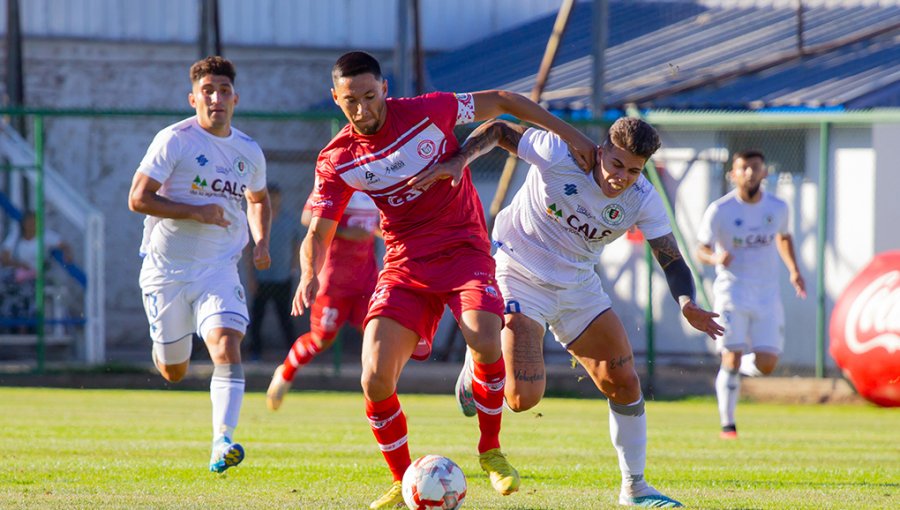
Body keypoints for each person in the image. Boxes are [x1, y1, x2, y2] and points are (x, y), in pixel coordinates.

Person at [295, 51, 596, 509]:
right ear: (334, 98)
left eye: (370, 96)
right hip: (404, 264)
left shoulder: (427, 111)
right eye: (350, 100)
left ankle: (491, 451)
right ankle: (404, 480)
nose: (363, 109)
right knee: (374, 377)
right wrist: (308, 273)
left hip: (463, 250)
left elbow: (502, 101)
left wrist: (572, 135)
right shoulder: (336, 158)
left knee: (484, 338)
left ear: (385, 88)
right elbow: (319, 230)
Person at [431, 117, 723, 508]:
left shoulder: (643, 199)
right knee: (522, 399)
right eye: (616, 165)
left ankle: (634, 488)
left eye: (634, 170)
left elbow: (670, 259)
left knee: (623, 380)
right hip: (518, 273)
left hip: (578, 288)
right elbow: (500, 129)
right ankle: (481, 361)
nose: (621, 177)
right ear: (601, 151)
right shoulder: (558, 153)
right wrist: (462, 159)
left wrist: (687, 303)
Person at [127, 56, 271, 474]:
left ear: (234, 98)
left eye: (223, 91)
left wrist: (260, 241)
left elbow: (257, 199)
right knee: (174, 370)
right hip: (165, 270)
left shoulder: (248, 151)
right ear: (193, 99)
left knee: (227, 345)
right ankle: (167, 345)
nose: (215, 98)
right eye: (207, 91)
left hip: (219, 268)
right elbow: (138, 198)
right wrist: (196, 212)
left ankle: (221, 441)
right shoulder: (175, 140)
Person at [696, 149, 806, 440]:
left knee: (767, 363)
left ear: (764, 172)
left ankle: (734, 365)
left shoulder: (778, 207)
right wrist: (715, 259)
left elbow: (783, 237)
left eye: (754, 167)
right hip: (732, 291)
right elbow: (701, 249)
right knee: (731, 356)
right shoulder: (720, 210)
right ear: (733, 174)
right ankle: (727, 425)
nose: (749, 173)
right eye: (743, 168)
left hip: (767, 295)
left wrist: (794, 270)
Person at [266, 190, 379, 411]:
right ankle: (286, 371)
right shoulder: (337, 174)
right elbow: (308, 218)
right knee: (322, 339)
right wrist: (346, 232)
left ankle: (380, 397)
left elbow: (379, 224)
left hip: (367, 278)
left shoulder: (378, 177)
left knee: (376, 333)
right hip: (333, 279)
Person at [244, 184, 302, 361]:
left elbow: (297, 243)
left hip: (283, 278)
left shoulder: (289, 220)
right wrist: (251, 277)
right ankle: (255, 352)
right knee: (257, 317)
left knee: (285, 317)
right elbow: (248, 250)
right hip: (262, 278)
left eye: (277, 196)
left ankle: (295, 355)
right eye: (271, 196)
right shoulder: (257, 221)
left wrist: (293, 267)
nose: (274, 200)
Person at [0, 211, 72, 333]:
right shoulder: (16, 236)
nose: (31, 225)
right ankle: (7, 324)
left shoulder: (45, 236)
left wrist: (68, 254)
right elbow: (4, 258)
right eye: (29, 222)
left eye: (34, 223)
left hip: (35, 275)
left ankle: (25, 328)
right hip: (17, 273)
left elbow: (64, 245)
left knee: (27, 291)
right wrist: (20, 264)